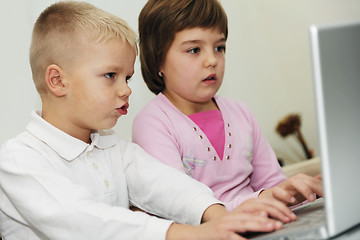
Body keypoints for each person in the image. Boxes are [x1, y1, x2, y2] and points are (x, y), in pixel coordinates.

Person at [0, 1, 296, 240]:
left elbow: (166, 185)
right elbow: (83, 221)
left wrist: (220, 216)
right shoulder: (18, 161)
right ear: (57, 80)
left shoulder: (112, 148)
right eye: (110, 76)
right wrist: (192, 234)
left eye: (127, 77)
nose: (126, 88)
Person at [132, 0, 323, 211]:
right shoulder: (152, 123)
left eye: (219, 48)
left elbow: (273, 185)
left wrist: (299, 191)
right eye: (194, 50)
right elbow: (181, 208)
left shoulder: (241, 113)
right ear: (157, 59)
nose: (212, 60)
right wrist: (261, 201)